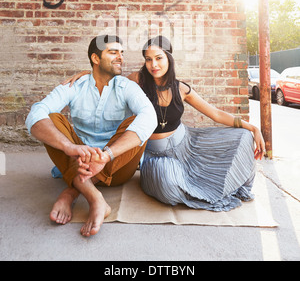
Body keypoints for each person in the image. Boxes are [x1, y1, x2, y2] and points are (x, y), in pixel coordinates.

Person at [67, 35, 265, 213]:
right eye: (148, 59)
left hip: (186, 145)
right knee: (167, 187)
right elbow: (109, 80)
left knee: (243, 137)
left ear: (169, 58)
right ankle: (192, 187)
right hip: (155, 156)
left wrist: (253, 127)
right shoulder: (137, 81)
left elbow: (215, 113)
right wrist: (87, 73)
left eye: (159, 58)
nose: (154, 64)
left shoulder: (181, 88)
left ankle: (213, 182)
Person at [25, 34, 157, 237]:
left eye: (121, 53)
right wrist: (70, 147)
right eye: (113, 52)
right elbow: (35, 115)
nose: (120, 57)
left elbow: (150, 117)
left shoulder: (127, 87)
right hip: (78, 158)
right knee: (51, 117)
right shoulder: (75, 85)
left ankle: (71, 191)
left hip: (116, 165)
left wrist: (105, 156)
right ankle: (96, 198)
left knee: (139, 123)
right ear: (96, 59)